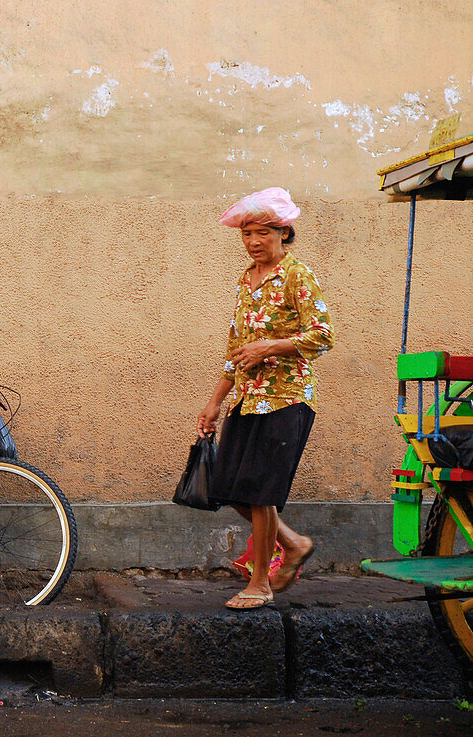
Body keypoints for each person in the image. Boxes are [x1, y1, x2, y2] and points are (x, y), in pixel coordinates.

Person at [196, 186, 334, 610]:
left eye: (263, 233)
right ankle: (293, 544)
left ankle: (260, 583)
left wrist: (269, 347)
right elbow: (236, 344)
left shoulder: (297, 275)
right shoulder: (245, 280)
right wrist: (216, 399)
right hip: (246, 399)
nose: (254, 242)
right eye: (247, 234)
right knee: (230, 488)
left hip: (286, 398)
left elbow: (323, 335)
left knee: (260, 493)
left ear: (283, 232)